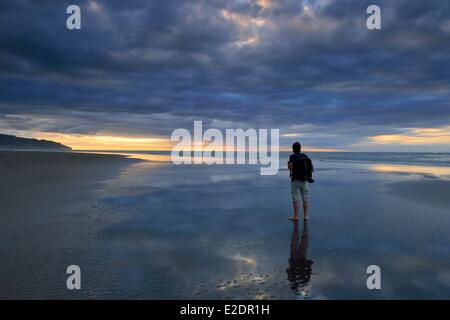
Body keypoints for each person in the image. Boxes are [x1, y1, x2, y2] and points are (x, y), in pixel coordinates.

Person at [287, 142, 314, 221]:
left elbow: (291, 168)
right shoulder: (305, 156)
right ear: (300, 148)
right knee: (305, 198)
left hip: (295, 179)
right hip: (305, 179)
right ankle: (305, 216)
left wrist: (289, 165)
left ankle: (296, 216)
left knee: (296, 198)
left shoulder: (292, 156)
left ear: (293, 149)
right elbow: (311, 166)